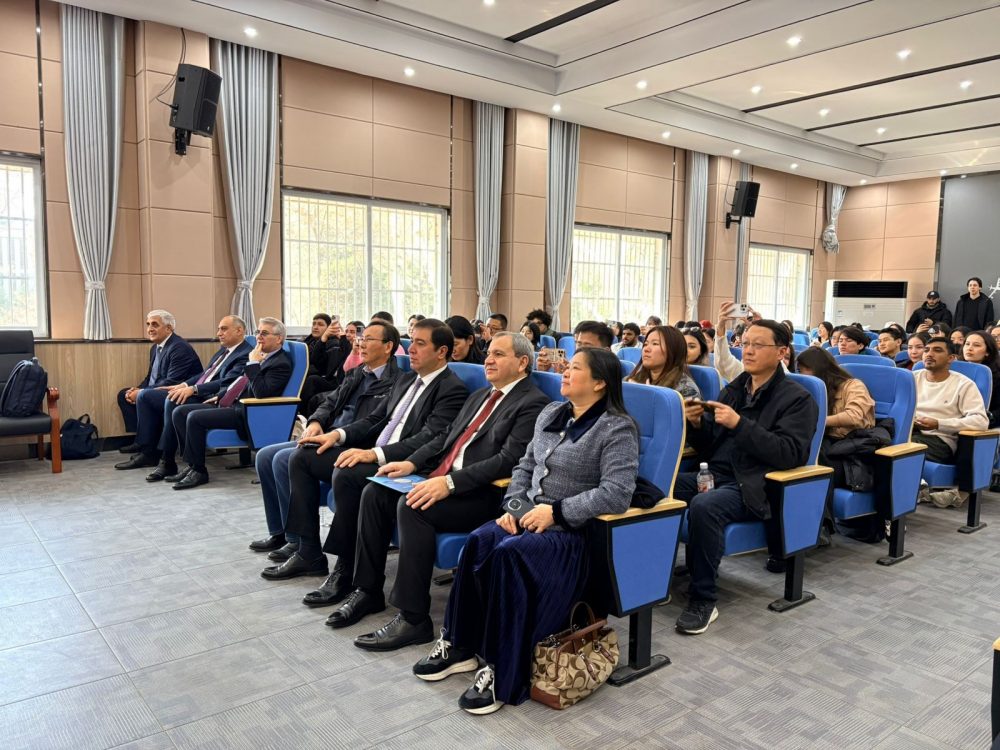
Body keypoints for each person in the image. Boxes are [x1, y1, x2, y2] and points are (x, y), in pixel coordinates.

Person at [411, 348, 638, 714]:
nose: (565, 373)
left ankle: (502, 671)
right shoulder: (553, 413)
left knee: (508, 553)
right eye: (566, 367)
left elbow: (617, 493)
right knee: (479, 540)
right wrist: (514, 507)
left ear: (599, 383)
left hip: (571, 533)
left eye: (574, 368)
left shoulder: (616, 428)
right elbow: (525, 465)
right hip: (529, 516)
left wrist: (557, 512)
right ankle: (459, 644)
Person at [334, 333, 550, 647]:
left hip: (482, 493)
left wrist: (449, 483)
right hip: (442, 477)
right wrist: (410, 463)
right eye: (488, 354)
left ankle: (413, 619)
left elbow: (508, 461)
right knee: (375, 493)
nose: (488, 360)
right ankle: (367, 590)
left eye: (499, 355)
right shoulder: (481, 396)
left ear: (522, 363)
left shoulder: (533, 403)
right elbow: (445, 436)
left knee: (412, 506)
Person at [265, 319, 469, 583]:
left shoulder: (452, 388)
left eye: (420, 344)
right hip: (376, 453)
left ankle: (345, 569)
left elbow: (429, 438)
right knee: (303, 457)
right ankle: (308, 552)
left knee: (347, 473)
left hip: (401, 463)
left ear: (441, 351)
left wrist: (373, 454)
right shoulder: (408, 380)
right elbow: (375, 419)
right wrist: (336, 435)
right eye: (412, 342)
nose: (411, 350)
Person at [676, 320, 818, 635]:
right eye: (745, 343)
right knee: (658, 487)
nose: (748, 351)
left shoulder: (797, 398)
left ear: (781, 352)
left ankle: (703, 600)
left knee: (705, 506)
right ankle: (653, 578)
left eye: (758, 345)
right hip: (716, 473)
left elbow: (790, 453)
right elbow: (711, 444)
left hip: (754, 483)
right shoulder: (736, 388)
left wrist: (740, 424)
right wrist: (698, 425)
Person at [248, 321, 403, 556]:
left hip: (352, 443)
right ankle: (280, 532)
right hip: (328, 435)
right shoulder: (358, 373)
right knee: (265, 456)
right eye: (361, 338)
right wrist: (316, 422)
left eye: (368, 339)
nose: (360, 344)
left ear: (388, 346)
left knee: (282, 459)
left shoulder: (396, 381)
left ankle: (298, 541)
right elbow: (330, 402)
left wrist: (336, 435)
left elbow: (374, 422)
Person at [168, 318, 294, 490]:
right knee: (180, 412)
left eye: (264, 333)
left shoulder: (281, 363)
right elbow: (239, 382)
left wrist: (253, 363)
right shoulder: (260, 355)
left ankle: (199, 471)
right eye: (258, 332)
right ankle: (191, 464)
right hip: (233, 403)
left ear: (279, 338)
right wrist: (221, 395)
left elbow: (261, 393)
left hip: (248, 412)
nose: (259, 337)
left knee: (194, 417)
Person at [114, 315, 252, 472]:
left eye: (224, 329)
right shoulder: (225, 350)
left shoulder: (246, 353)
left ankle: (163, 458)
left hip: (211, 397)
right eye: (219, 329)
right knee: (155, 396)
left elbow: (227, 382)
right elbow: (205, 374)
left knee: (166, 399)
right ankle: (151, 451)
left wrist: (193, 389)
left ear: (239, 331)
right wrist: (183, 385)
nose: (219, 333)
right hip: (199, 392)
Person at [796, 347, 876, 532]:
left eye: (803, 370)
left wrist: (819, 420)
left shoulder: (853, 386)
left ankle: (822, 527)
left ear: (818, 367)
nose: (800, 375)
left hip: (850, 453)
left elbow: (854, 416)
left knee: (816, 466)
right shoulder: (813, 388)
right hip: (827, 445)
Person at [117, 310, 201, 450]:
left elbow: (172, 381)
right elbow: (150, 377)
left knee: (144, 395)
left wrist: (141, 392)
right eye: (148, 324)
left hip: (180, 392)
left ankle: (146, 445)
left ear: (168, 328)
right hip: (161, 388)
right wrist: (135, 390)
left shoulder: (179, 347)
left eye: (155, 324)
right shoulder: (155, 348)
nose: (150, 329)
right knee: (124, 394)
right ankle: (142, 438)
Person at [912, 337, 988, 464]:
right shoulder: (911, 378)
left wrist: (939, 424)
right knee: (880, 441)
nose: (929, 354)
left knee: (899, 448)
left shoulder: (964, 384)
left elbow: (980, 421)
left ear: (951, 358)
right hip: (909, 431)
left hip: (938, 440)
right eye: (926, 350)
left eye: (937, 350)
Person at [625, 325, 701, 400]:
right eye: (645, 344)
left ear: (673, 350)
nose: (646, 349)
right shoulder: (633, 380)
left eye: (655, 344)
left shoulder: (687, 390)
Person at [298, 314, 353, 415]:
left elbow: (323, 367)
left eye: (320, 324)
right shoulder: (307, 342)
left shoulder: (334, 343)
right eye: (314, 324)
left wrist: (324, 339)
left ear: (329, 327)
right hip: (313, 374)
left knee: (311, 379)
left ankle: (301, 414)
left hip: (333, 381)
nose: (315, 327)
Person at [536, 320, 613, 373]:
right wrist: (542, 372)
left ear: (606, 351)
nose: (580, 350)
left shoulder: (607, 378)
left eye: (587, 346)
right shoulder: (569, 369)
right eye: (578, 344)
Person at [961, 331, 1000, 427]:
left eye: (976, 345)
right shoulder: (953, 370)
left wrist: (987, 418)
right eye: (967, 344)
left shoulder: (997, 376)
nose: (969, 348)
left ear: (987, 352)